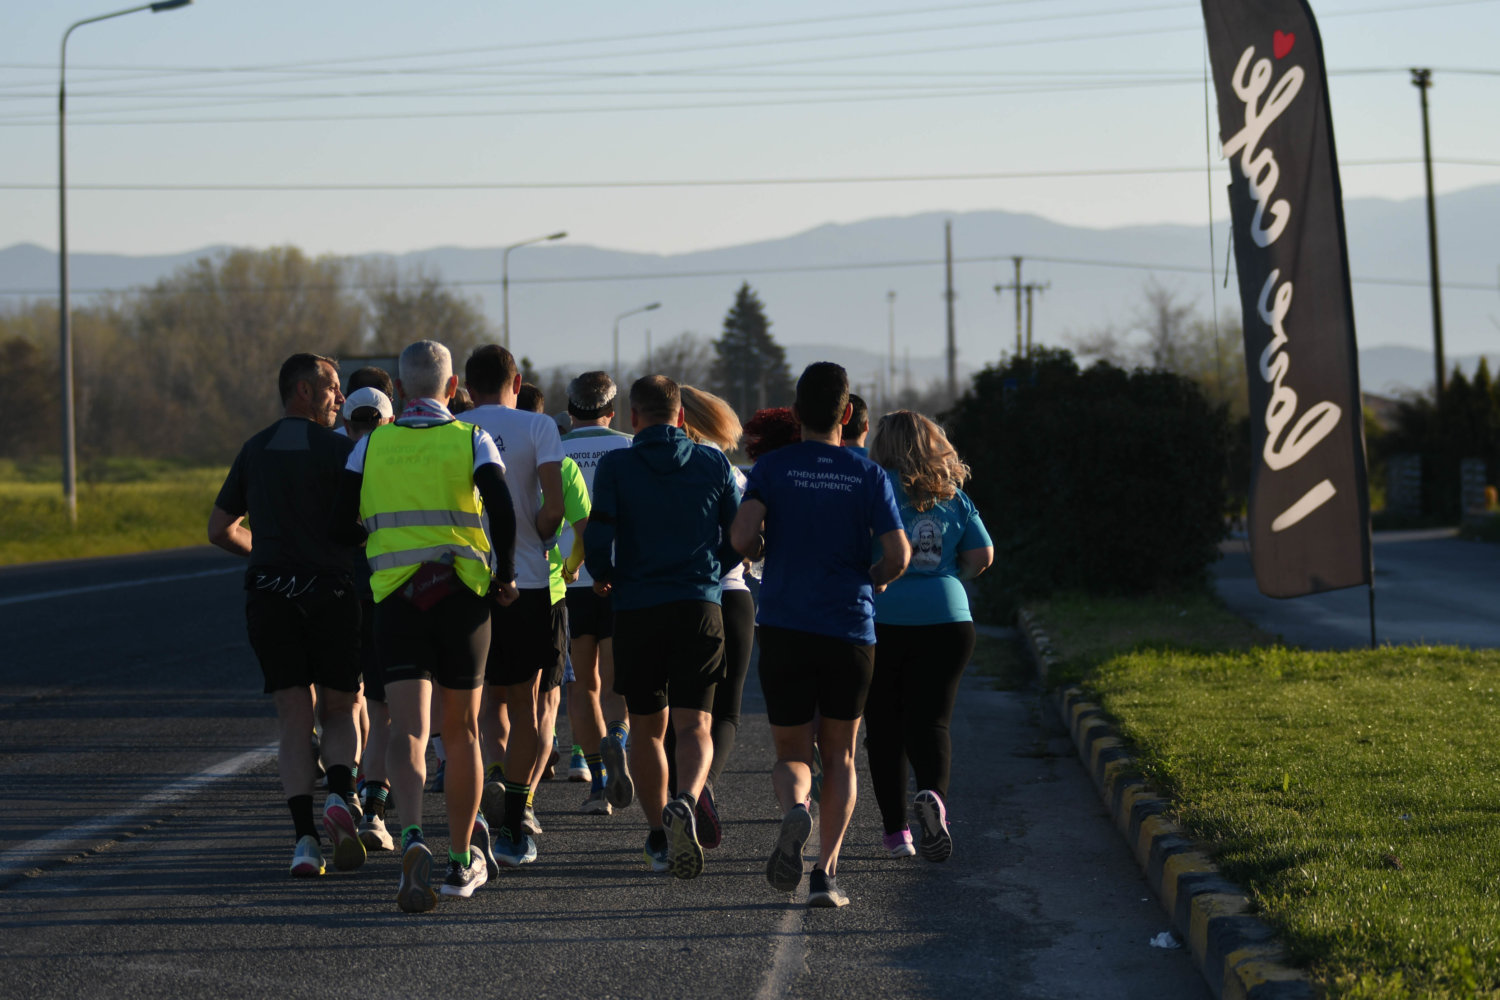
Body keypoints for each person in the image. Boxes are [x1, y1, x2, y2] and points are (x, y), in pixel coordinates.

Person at [334, 339, 520, 911]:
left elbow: (341, 521)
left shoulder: (371, 444)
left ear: (398, 388)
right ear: (452, 386)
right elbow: (501, 505)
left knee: (407, 731)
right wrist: (506, 575)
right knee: (461, 733)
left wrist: (375, 539)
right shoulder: (471, 437)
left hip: (395, 598)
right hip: (461, 595)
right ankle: (461, 859)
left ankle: (412, 835)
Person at [730, 362, 911, 908]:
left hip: (785, 625)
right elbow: (898, 554)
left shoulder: (773, 467)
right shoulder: (867, 474)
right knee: (841, 756)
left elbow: (741, 535)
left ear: (796, 413)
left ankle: (796, 809)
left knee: (791, 753)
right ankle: (825, 876)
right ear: (848, 413)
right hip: (848, 628)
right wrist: (871, 579)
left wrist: (760, 549)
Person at [208, 353, 366, 879]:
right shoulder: (343, 450)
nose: (340, 397)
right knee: (340, 709)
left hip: (271, 595)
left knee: (294, 719)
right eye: (333, 387)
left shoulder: (254, 449)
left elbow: (219, 529)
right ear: (303, 389)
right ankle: (340, 795)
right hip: (333, 593)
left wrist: (266, 552)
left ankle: (304, 843)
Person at [584, 375, 740, 879]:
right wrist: (712, 569)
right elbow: (739, 534)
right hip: (699, 606)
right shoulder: (714, 462)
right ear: (681, 416)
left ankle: (657, 835)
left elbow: (599, 533)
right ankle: (687, 801)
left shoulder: (616, 465)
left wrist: (604, 574)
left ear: (634, 417)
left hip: (637, 607)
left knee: (649, 730)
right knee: (696, 725)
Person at [865, 411, 993, 862]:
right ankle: (933, 797)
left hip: (883, 618)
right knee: (932, 721)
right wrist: (949, 575)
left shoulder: (873, 487)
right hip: (948, 618)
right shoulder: (951, 494)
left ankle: (897, 833)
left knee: (885, 727)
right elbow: (983, 554)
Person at [463, 346, 566, 867]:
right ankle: (517, 818)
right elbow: (555, 506)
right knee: (527, 704)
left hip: (467, 582)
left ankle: (486, 794)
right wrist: (540, 537)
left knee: (479, 706)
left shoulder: (456, 427)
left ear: (465, 387)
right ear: (517, 381)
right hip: (526, 580)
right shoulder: (538, 426)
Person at [671, 385, 752, 850]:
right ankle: (702, 787)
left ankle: (684, 793)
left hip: (676, 598)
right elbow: (749, 541)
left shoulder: (665, 469)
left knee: (676, 710)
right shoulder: (733, 474)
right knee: (727, 711)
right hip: (732, 595)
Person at [558, 371, 634, 815]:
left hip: (567, 581)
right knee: (617, 681)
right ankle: (618, 738)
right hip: (621, 578)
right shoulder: (630, 447)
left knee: (582, 686)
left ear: (570, 411)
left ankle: (599, 785)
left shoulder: (553, 449)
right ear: (612, 411)